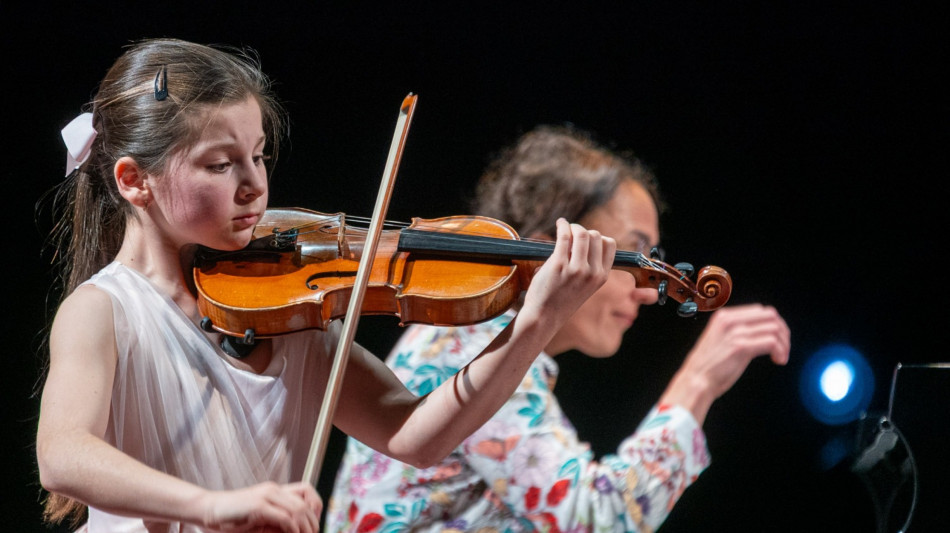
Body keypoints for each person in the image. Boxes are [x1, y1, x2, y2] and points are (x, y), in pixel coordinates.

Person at [34, 40, 617, 533]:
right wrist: (214, 507)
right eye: (220, 164)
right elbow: (62, 456)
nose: (253, 185)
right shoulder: (103, 310)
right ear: (135, 181)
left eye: (258, 155)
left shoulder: (281, 304)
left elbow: (414, 435)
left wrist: (534, 323)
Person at [327, 125, 791, 533]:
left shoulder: (492, 346)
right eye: (633, 254)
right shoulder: (465, 344)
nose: (649, 290)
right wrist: (698, 384)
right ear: (559, 249)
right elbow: (597, 518)